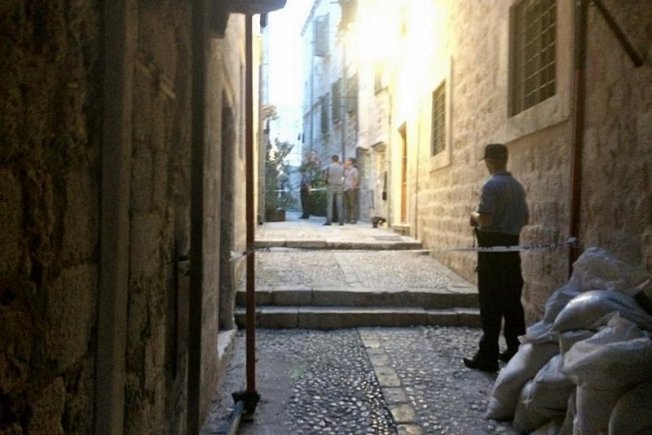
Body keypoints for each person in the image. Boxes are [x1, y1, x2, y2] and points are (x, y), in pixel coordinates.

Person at [464, 143, 529, 373]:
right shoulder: (517, 186)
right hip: (512, 247)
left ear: (489, 161)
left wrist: (473, 216)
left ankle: (488, 355)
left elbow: (485, 219)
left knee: (490, 303)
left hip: (492, 250)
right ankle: (515, 350)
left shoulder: (492, 185)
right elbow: (525, 218)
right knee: (512, 302)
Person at [323, 154, 344, 226]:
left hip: (331, 186)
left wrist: (328, 181)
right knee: (340, 204)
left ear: (332, 159)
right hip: (340, 186)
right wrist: (341, 182)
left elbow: (325, 177)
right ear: (338, 159)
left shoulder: (329, 167)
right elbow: (344, 177)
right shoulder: (342, 167)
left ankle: (329, 221)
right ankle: (341, 221)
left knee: (330, 204)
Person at [343, 158, 359, 224]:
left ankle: (353, 219)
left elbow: (356, 178)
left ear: (351, 162)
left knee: (352, 204)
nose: (345, 162)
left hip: (351, 188)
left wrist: (354, 186)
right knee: (347, 204)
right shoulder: (346, 170)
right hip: (345, 188)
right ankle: (347, 218)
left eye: (347, 161)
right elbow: (344, 178)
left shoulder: (354, 170)